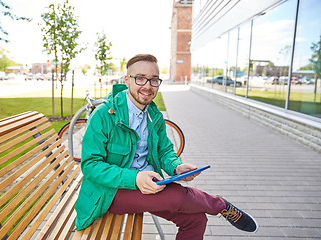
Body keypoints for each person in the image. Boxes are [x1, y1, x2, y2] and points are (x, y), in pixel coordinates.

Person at [75, 54, 258, 239]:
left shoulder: (154, 114)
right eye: (140, 78)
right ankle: (220, 205)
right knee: (178, 197)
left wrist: (176, 166)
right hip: (110, 192)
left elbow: (164, 151)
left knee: (196, 220)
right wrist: (135, 178)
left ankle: (216, 205)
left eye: (154, 80)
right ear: (127, 80)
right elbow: (90, 165)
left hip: (150, 185)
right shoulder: (103, 115)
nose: (147, 86)